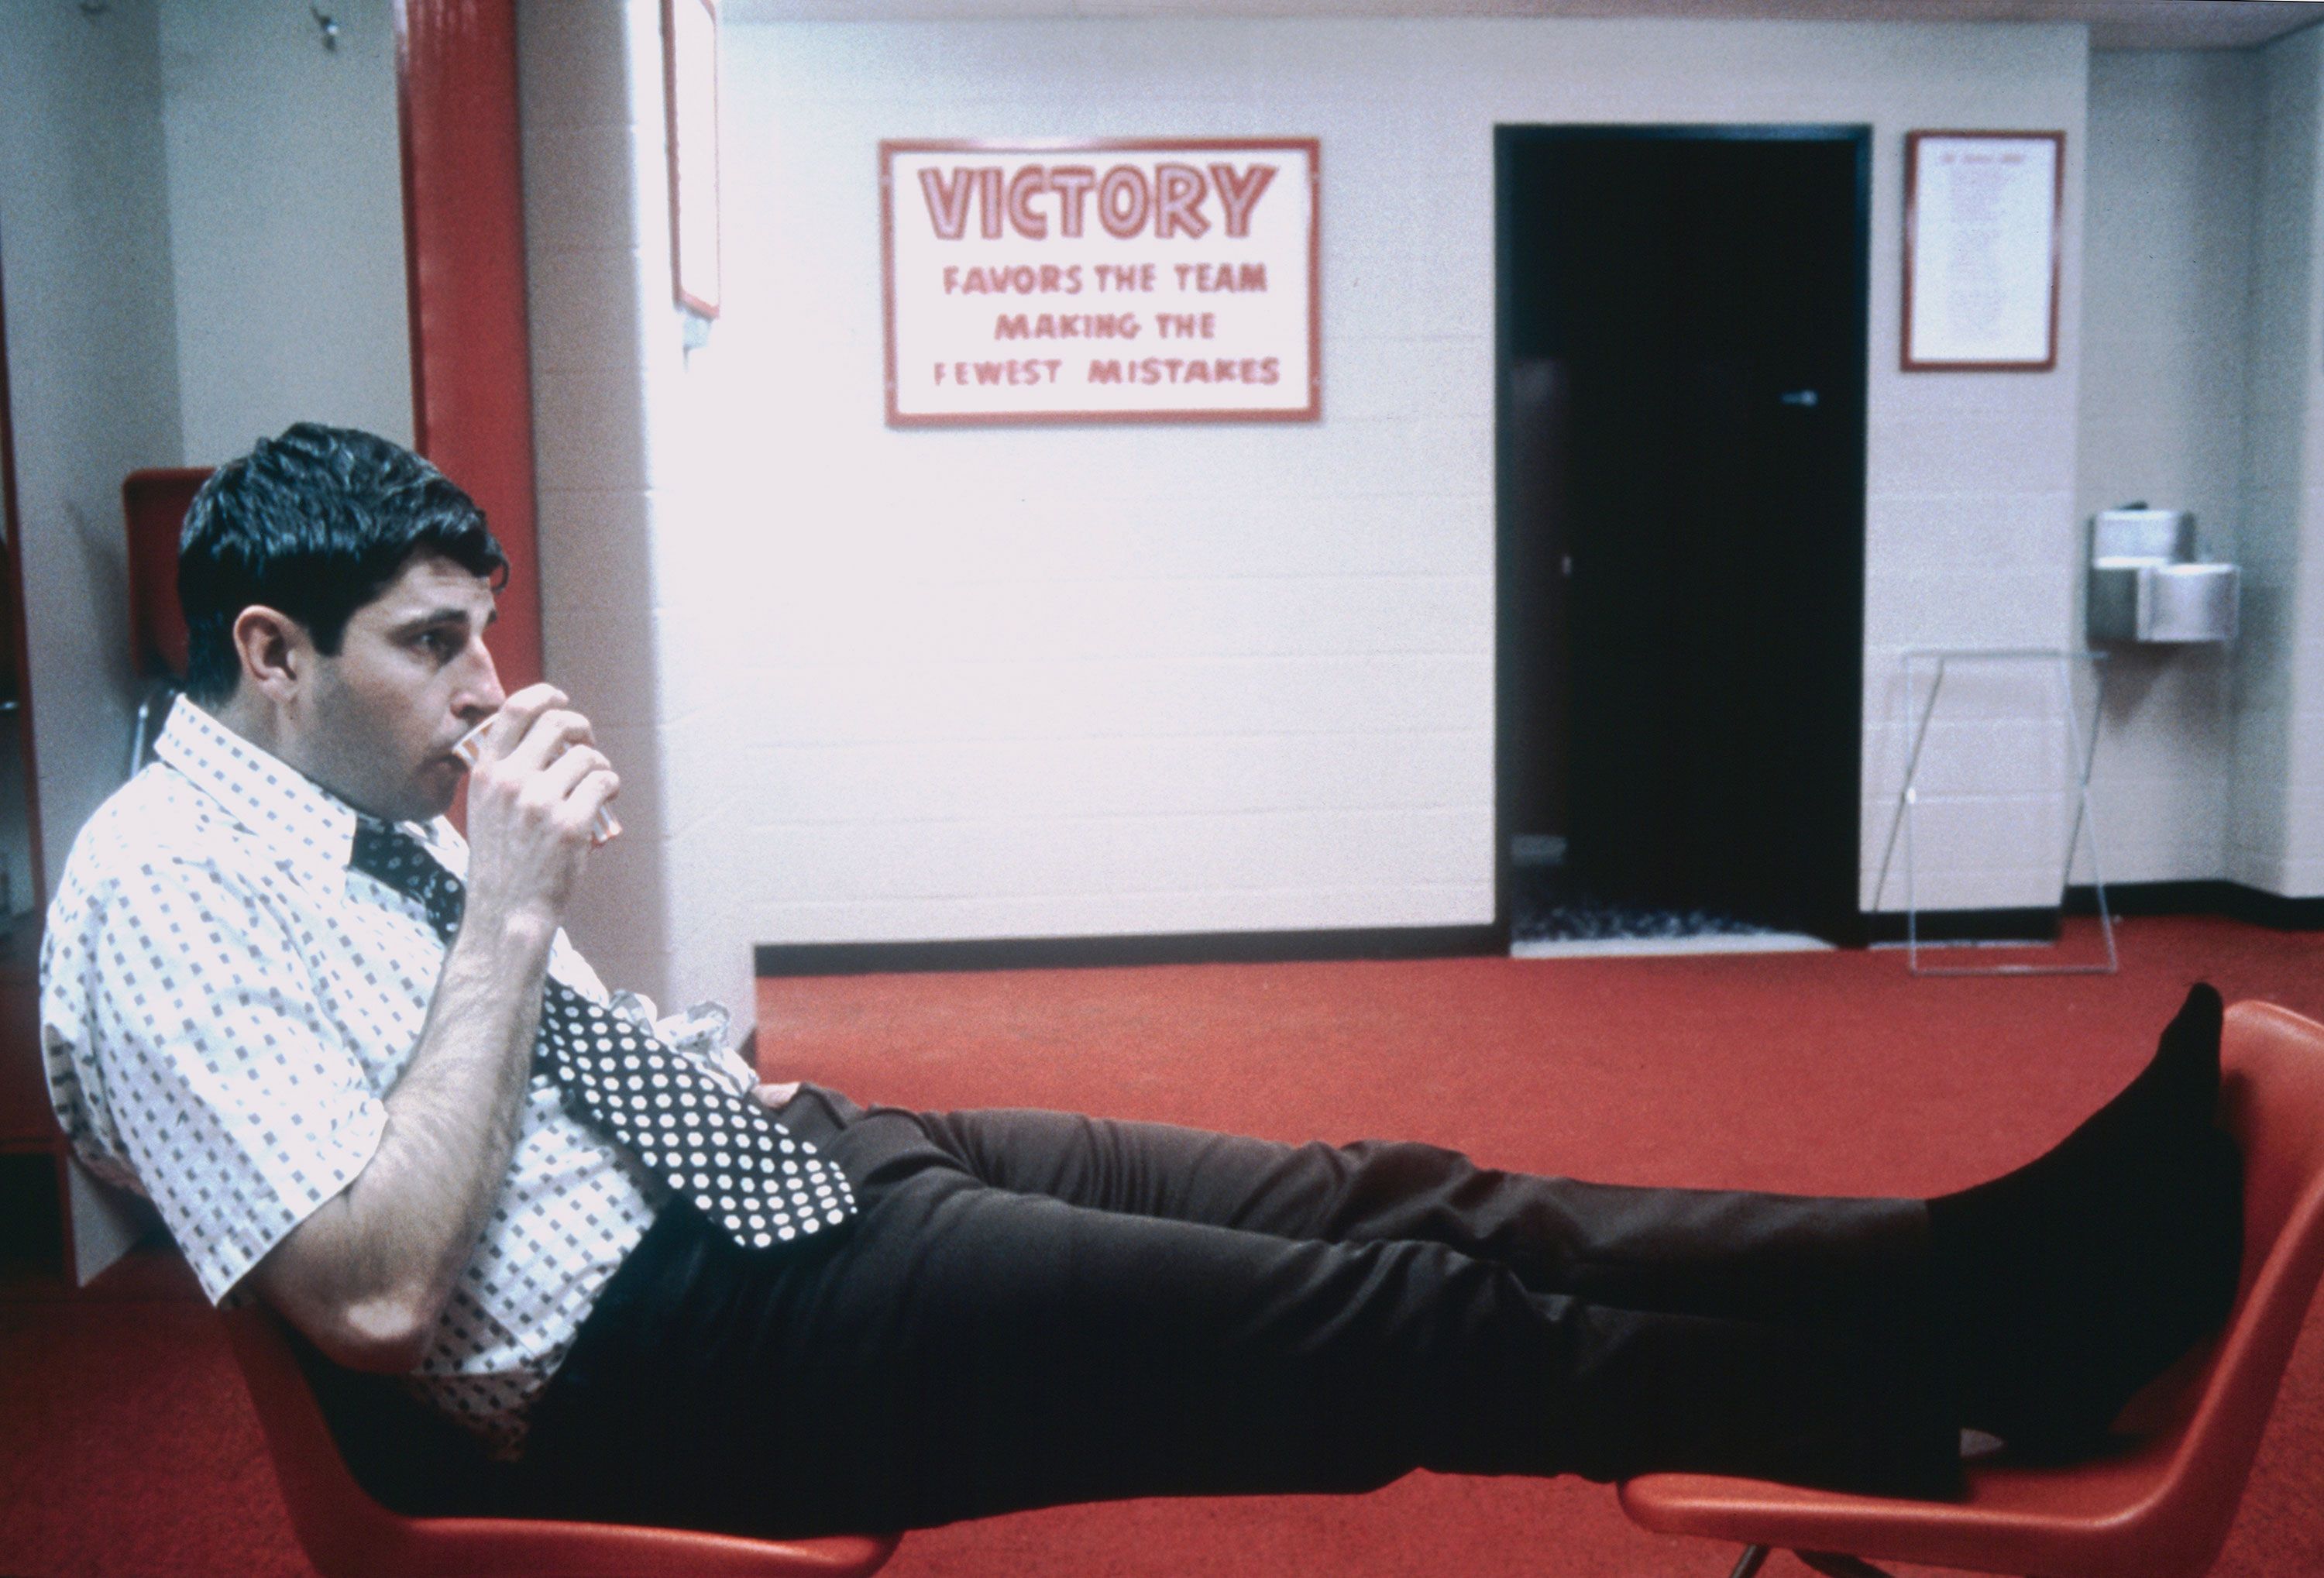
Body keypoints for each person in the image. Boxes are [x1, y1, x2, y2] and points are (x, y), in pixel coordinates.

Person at [41, 423, 2245, 1539]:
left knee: (1411, 1194)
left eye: (480, 633)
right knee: (1404, 1328)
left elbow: (524, 1085)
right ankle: (1936, 1412)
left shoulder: (343, 830)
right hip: (671, 1356)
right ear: (265, 653)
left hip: (796, 1170)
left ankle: (1981, 1273)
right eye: (433, 646)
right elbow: (378, 1295)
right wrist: (511, 908)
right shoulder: (160, 899)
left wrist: (554, 948)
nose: (482, 686)